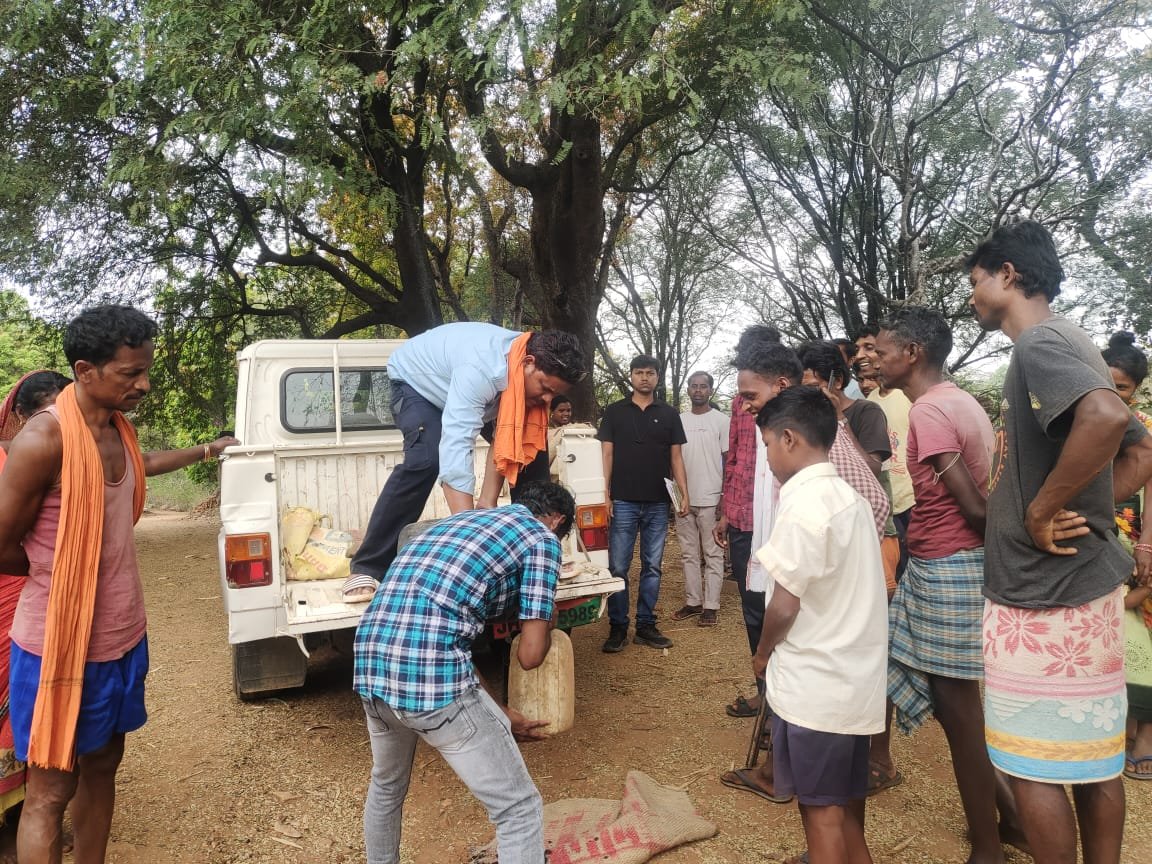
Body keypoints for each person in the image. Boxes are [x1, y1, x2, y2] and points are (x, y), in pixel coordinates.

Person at [0, 305, 237, 864]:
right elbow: (3, 544)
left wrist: (208, 449)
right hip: (56, 646)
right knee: (49, 793)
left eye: (145, 369)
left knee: (104, 768)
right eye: (130, 373)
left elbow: (142, 462)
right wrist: (55, 579)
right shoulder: (43, 441)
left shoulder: (118, 430)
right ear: (85, 371)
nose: (144, 383)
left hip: (122, 639)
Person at [968, 220, 1152, 863]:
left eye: (975, 282)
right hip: (1089, 591)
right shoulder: (1077, 339)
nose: (971, 297)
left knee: (1033, 763)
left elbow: (1106, 418)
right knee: (1097, 759)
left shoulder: (1037, 343)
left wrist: (1043, 510)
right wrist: (1090, 509)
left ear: (1008, 275)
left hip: (1038, 600)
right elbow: (1141, 447)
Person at [353, 481, 575, 864]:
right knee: (518, 809)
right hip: (432, 680)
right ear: (556, 520)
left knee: (386, 787)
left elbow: (444, 633)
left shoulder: (458, 523)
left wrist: (501, 714)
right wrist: (547, 616)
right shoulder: (542, 538)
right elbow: (531, 655)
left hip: (372, 666)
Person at [875, 306, 1023, 862]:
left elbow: (975, 506)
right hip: (951, 563)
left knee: (961, 715)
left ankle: (990, 846)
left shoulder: (931, 413)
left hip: (949, 566)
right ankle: (1009, 817)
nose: (874, 357)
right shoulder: (961, 402)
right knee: (948, 702)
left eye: (883, 349)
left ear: (912, 353)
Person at [719, 340, 890, 803]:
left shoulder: (815, 441)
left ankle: (780, 772)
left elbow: (872, 501)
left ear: (780, 387)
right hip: (777, 567)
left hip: (817, 627)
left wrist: (840, 573)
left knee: (827, 811)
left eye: (751, 396)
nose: (745, 404)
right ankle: (778, 767)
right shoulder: (776, 434)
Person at [343, 324, 586, 601]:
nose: (547, 399)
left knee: (530, 456)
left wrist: (487, 503)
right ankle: (369, 565)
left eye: (553, 394)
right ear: (528, 363)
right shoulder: (480, 369)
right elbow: (457, 445)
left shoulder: (525, 372)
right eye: (544, 388)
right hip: (418, 386)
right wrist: (471, 534)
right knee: (427, 459)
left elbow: (505, 443)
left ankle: (537, 553)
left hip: (474, 385)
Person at [751, 386, 888, 864]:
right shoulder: (846, 494)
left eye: (767, 443)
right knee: (843, 808)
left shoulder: (804, 503)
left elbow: (785, 605)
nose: (766, 456)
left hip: (818, 687)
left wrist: (763, 653)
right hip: (851, 680)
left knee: (821, 814)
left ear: (788, 439)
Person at [0, 372, 72, 837]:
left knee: (29, 711)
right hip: (11, 595)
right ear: (20, 415)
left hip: (30, 602)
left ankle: (21, 811)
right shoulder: (16, 462)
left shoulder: (61, 459)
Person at [598, 355, 689, 652]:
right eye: (639, 373)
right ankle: (618, 627)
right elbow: (606, 455)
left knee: (652, 566)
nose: (645, 378)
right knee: (618, 566)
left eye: (650, 373)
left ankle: (646, 625)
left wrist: (683, 494)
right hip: (623, 499)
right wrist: (605, 494)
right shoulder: (614, 412)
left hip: (657, 503)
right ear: (631, 377)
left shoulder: (669, 413)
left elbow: (676, 457)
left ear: (657, 378)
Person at [713, 325, 781, 717]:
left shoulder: (795, 403)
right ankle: (765, 694)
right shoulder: (742, 403)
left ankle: (786, 702)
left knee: (782, 609)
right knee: (753, 608)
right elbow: (736, 458)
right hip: (743, 519)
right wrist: (726, 511)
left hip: (783, 520)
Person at [1101, 331, 1152, 780]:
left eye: (1123, 388)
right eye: (1107, 383)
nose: (1114, 394)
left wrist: (1146, 543)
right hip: (1093, 535)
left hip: (1137, 535)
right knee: (1110, 634)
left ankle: (1144, 738)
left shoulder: (1144, 429)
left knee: (1145, 634)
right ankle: (1112, 728)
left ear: (1134, 391)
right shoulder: (1082, 419)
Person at [671, 371, 729, 627]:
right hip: (682, 498)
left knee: (713, 553)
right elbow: (671, 458)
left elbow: (729, 461)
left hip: (711, 497)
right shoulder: (677, 420)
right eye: (693, 386)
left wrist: (725, 497)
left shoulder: (722, 421)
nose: (698, 390)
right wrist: (674, 494)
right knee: (688, 553)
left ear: (710, 390)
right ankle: (693, 602)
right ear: (688, 390)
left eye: (703, 386)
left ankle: (711, 606)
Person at [797, 341, 890, 478]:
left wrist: (840, 418)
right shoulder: (802, 417)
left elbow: (873, 470)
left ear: (838, 381)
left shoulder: (866, 412)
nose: (806, 395)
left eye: (813, 387)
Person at [547, 394, 573, 482]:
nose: (566, 414)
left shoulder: (572, 430)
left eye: (568, 410)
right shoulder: (546, 430)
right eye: (561, 411)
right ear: (552, 411)